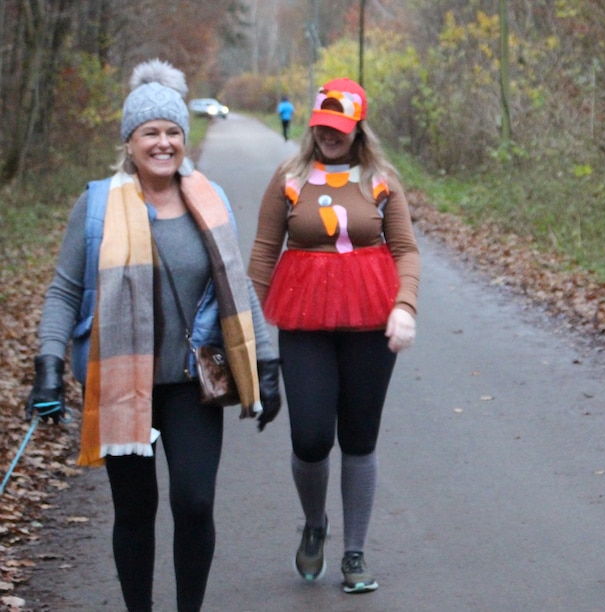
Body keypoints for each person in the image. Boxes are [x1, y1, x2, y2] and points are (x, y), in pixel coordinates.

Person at [24, 59, 282, 612]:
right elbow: (64, 293)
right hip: (120, 381)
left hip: (192, 383)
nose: (163, 143)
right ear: (130, 140)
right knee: (135, 511)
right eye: (151, 133)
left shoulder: (208, 203)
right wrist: (48, 364)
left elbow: (236, 284)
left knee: (194, 501)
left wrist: (265, 361)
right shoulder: (96, 207)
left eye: (172, 132)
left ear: (183, 139)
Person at [248, 77, 420, 594]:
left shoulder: (380, 179)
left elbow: (406, 250)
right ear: (312, 125)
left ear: (357, 129)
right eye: (322, 125)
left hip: (371, 322)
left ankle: (354, 552)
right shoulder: (291, 177)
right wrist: (250, 330)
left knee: (359, 439)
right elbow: (262, 253)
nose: (329, 135)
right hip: (303, 322)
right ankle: (315, 522)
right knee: (312, 437)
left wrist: (405, 306)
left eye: (339, 127)